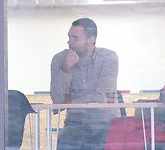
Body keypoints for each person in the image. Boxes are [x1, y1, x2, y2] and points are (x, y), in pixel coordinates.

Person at [50, 17, 119, 150]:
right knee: (66, 138)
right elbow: (58, 101)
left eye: (75, 38)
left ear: (91, 39)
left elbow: (101, 98)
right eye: (69, 36)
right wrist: (65, 69)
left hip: (106, 123)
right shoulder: (60, 59)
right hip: (75, 124)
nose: (69, 41)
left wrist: (69, 100)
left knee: (107, 142)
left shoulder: (109, 57)